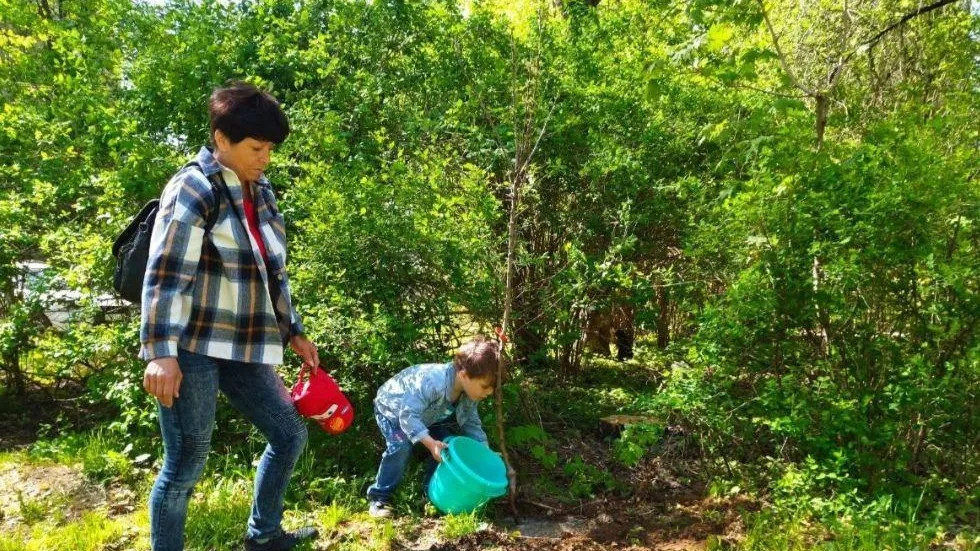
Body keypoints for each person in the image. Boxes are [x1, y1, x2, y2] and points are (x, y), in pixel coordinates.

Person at [139, 82, 319, 551]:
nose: (266, 157)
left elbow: (272, 268)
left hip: (244, 342)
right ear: (222, 139)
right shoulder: (194, 187)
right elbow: (165, 274)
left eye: (271, 148)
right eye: (256, 147)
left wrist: (292, 330)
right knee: (186, 461)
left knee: (289, 433)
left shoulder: (261, 190)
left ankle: (263, 536)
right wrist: (161, 353)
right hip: (191, 348)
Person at [366, 337, 501, 518]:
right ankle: (379, 498)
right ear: (463, 375)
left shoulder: (469, 394)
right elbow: (407, 415)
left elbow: (471, 422)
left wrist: (485, 452)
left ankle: (430, 493)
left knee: (446, 444)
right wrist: (430, 444)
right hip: (393, 411)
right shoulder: (432, 382)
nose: (490, 392)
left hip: (429, 416)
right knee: (401, 447)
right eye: (485, 386)